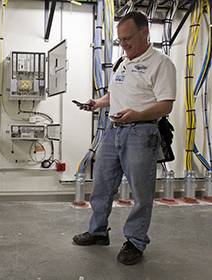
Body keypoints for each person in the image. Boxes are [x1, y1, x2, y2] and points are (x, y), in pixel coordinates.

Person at [72, 11, 176, 265]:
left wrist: (137, 114)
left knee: (141, 192)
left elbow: (165, 105)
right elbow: (114, 94)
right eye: (120, 40)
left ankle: (135, 241)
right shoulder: (122, 62)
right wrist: (96, 103)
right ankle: (98, 232)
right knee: (101, 185)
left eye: (128, 38)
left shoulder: (161, 64)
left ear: (145, 33)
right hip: (113, 131)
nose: (124, 44)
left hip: (141, 133)